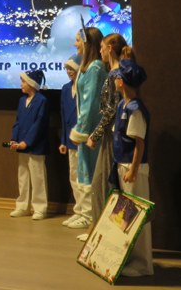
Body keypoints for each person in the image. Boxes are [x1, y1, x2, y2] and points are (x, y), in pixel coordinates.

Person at [111, 60, 154, 277]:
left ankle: (143, 263)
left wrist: (134, 170)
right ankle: (128, 256)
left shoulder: (136, 109)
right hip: (122, 166)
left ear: (123, 82)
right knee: (125, 217)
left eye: (117, 77)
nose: (115, 80)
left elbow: (139, 143)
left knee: (137, 215)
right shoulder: (122, 105)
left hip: (132, 168)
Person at [86, 34, 133, 227]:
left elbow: (111, 110)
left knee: (102, 184)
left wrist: (95, 134)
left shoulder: (116, 75)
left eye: (102, 47)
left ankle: (101, 229)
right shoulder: (116, 73)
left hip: (113, 136)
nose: (100, 51)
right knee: (107, 183)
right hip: (114, 134)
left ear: (110, 49)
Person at [69, 27, 108, 239]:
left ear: (87, 42)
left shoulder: (95, 68)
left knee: (96, 177)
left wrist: (82, 131)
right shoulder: (89, 66)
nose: (75, 44)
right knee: (89, 176)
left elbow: (92, 103)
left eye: (78, 40)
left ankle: (97, 227)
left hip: (92, 132)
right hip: (88, 131)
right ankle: (93, 223)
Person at [8, 69, 50, 220]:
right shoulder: (22, 101)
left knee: (38, 177)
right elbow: (18, 121)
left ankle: (40, 208)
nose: (21, 84)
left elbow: (40, 123)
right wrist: (15, 139)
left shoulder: (42, 101)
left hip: (35, 145)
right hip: (21, 144)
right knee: (23, 176)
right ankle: (22, 206)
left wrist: (27, 141)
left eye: (23, 81)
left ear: (32, 84)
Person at [59, 54, 89, 228]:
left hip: (82, 138)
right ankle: (78, 210)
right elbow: (64, 116)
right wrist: (63, 140)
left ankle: (86, 212)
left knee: (84, 177)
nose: (69, 71)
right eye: (67, 69)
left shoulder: (84, 87)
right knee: (73, 176)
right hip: (70, 139)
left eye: (71, 68)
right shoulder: (65, 89)